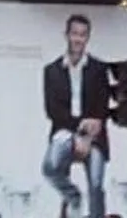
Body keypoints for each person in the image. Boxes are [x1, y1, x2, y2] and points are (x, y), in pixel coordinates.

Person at [41, 13, 112, 218]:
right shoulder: (52, 71)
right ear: (66, 35)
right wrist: (79, 127)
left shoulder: (98, 69)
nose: (78, 39)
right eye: (74, 34)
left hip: (94, 137)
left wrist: (87, 138)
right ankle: (73, 197)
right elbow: (52, 111)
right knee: (50, 166)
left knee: (96, 186)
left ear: (88, 37)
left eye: (82, 35)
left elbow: (102, 109)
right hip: (65, 132)